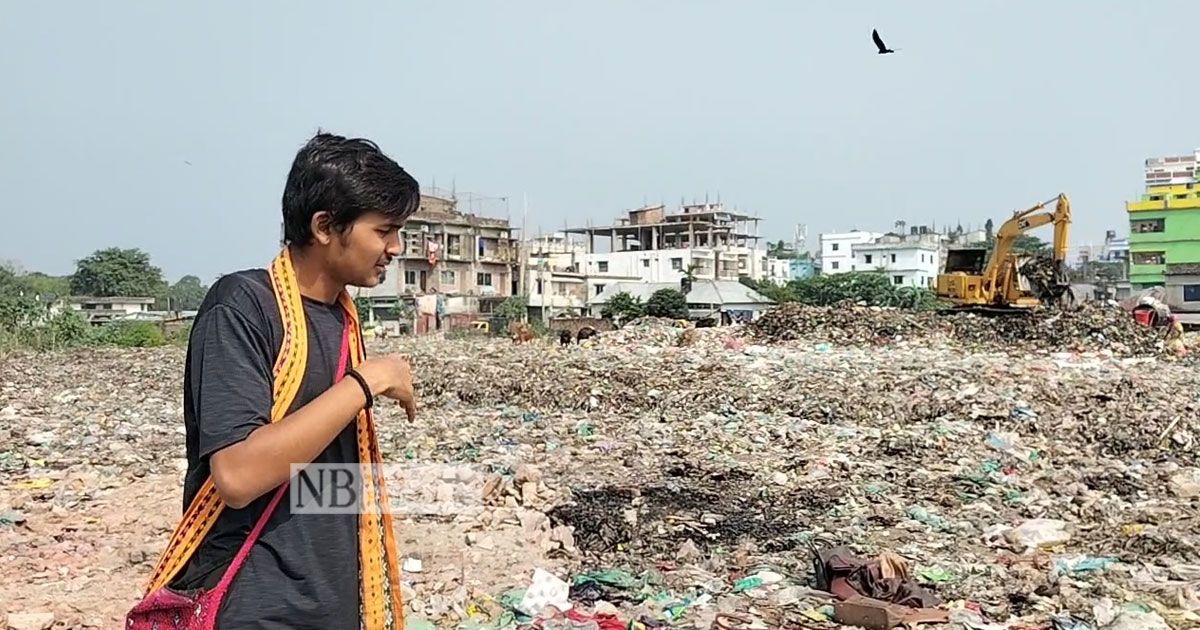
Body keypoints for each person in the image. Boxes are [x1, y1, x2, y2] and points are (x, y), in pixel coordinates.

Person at [157, 132, 421, 628]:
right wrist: (366, 383)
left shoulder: (343, 321)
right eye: (384, 230)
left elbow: (314, 481)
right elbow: (237, 477)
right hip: (256, 603)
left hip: (330, 602)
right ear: (324, 226)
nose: (395, 247)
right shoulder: (243, 306)